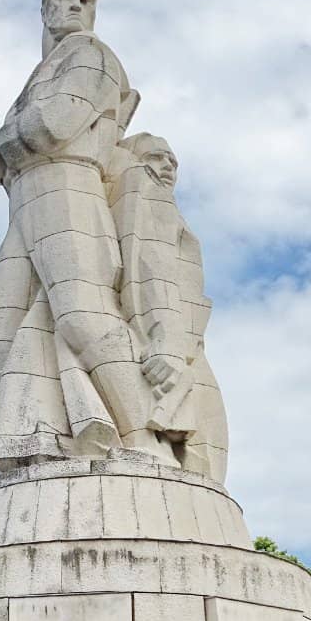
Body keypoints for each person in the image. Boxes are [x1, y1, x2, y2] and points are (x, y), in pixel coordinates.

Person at [0, 0, 179, 468]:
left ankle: (143, 439)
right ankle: (48, 439)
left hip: (66, 180)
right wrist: (7, 150)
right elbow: (3, 160)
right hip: (26, 197)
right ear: (45, 9)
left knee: (81, 311)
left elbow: (55, 124)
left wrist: (3, 142)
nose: (73, 5)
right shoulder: (43, 70)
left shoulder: (92, 55)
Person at [106, 132, 229, 482]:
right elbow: (152, 264)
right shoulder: (141, 187)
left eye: (172, 162)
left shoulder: (127, 197)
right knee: (204, 460)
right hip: (172, 345)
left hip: (177, 340)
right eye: (157, 157)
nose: (167, 168)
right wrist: (168, 339)